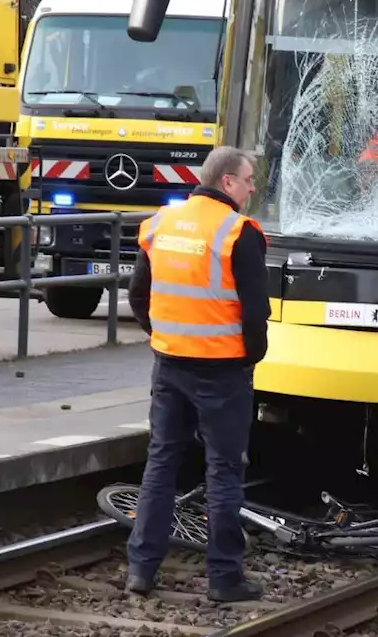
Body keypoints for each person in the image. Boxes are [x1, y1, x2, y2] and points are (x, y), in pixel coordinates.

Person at [124, 146, 269, 603]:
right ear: (227, 182)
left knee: (161, 464)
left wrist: (163, 335)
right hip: (222, 370)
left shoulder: (161, 225)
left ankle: (141, 571)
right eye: (248, 180)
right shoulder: (238, 233)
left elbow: (137, 296)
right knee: (223, 471)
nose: (251, 188)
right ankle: (224, 579)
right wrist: (250, 358)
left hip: (170, 365)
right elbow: (256, 312)